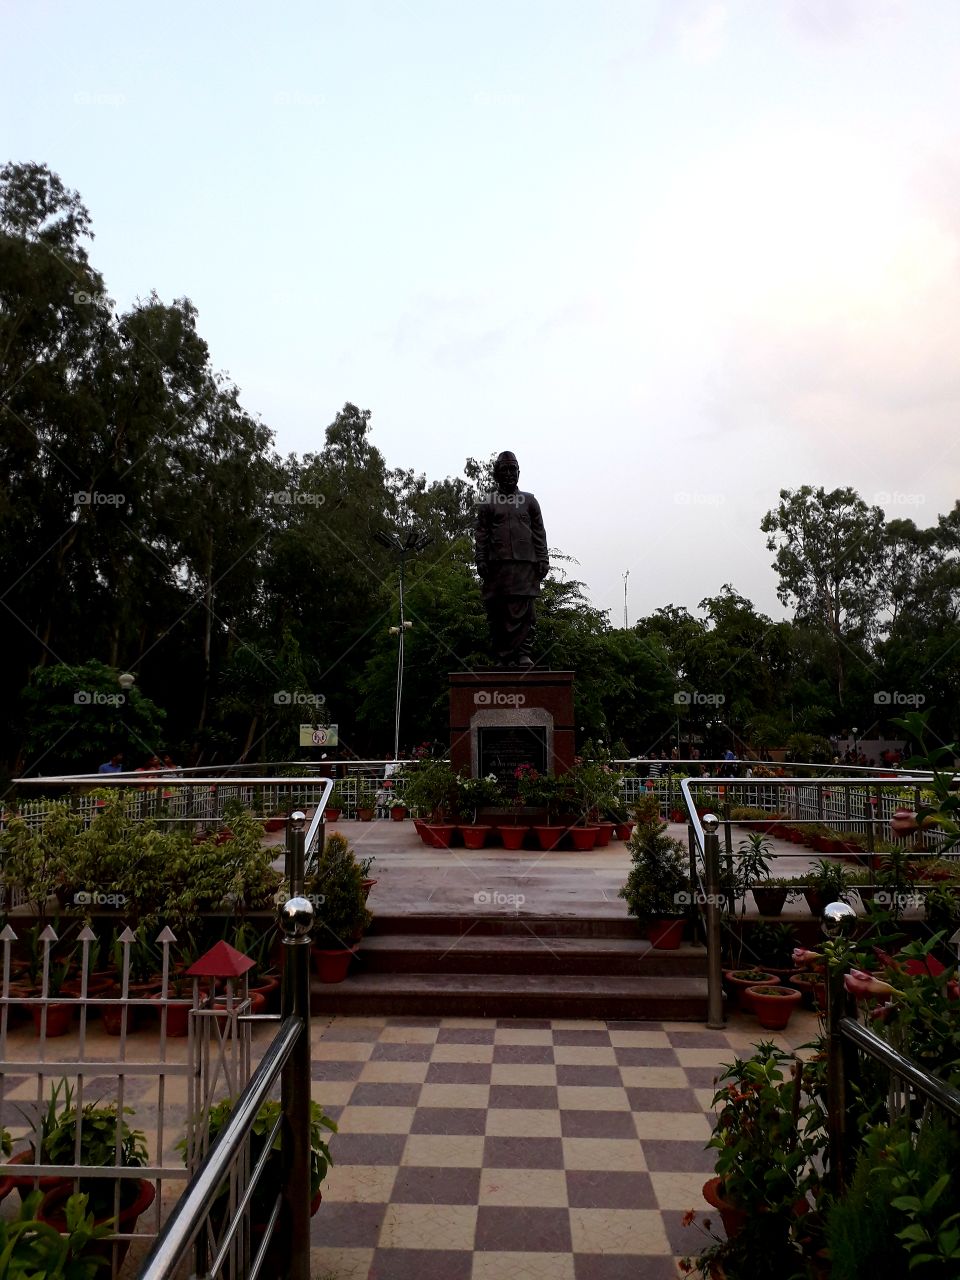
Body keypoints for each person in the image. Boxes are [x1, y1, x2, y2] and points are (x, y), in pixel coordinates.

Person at [474, 451, 549, 667]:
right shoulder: (488, 503)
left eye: (512, 469)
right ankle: (502, 655)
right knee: (498, 612)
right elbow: (481, 534)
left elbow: (539, 532)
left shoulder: (530, 501)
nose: (509, 474)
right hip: (498, 566)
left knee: (527, 612)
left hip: (526, 565)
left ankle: (523, 653)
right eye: (504, 470)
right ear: (496, 474)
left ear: (519, 472)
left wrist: (543, 559)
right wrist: (481, 559)